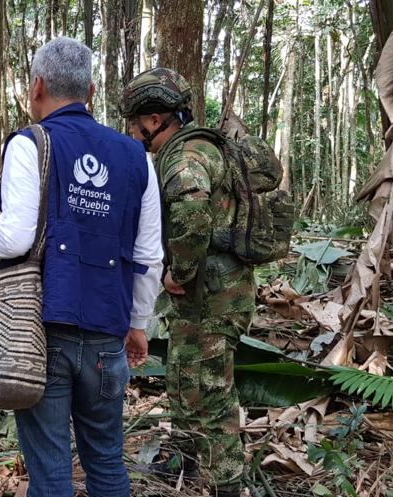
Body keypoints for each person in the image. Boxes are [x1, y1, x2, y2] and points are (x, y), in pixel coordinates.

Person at [0, 37, 163, 497]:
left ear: (36, 86)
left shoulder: (29, 144)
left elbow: (14, 237)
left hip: (43, 335)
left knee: (52, 475)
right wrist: (138, 324)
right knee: (107, 464)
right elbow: (149, 256)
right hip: (106, 336)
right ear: (92, 91)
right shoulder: (137, 157)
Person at [119, 67, 252, 497]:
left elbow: (193, 212)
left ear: (155, 119)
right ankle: (186, 463)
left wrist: (180, 271)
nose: (134, 132)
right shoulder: (199, 147)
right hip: (210, 296)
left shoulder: (185, 156)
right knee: (186, 383)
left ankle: (227, 483)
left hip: (213, 296)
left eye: (136, 122)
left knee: (210, 396)